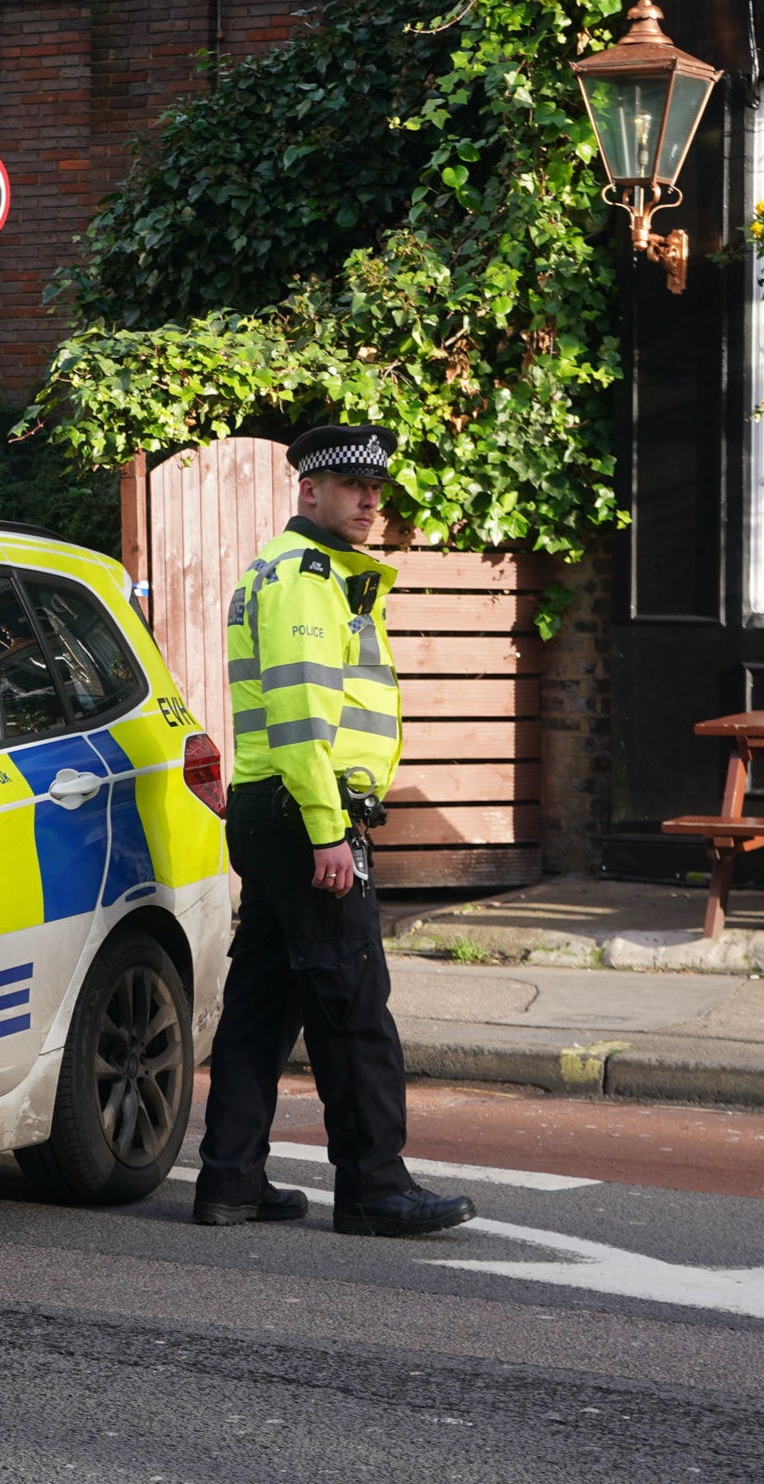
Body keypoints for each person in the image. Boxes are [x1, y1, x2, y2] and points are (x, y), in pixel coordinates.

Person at [193, 424, 474, 1238]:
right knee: (354, 1007)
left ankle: (231, 1180)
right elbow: (300, 721)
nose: (369, 499)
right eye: (351, 486)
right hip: (304, 810)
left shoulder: (300, 575)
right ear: (308, 491)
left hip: (273, 808)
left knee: (262, 1005)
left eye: (375, 487)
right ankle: (375, 1188)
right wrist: (327, 834)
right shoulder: (306, 581)